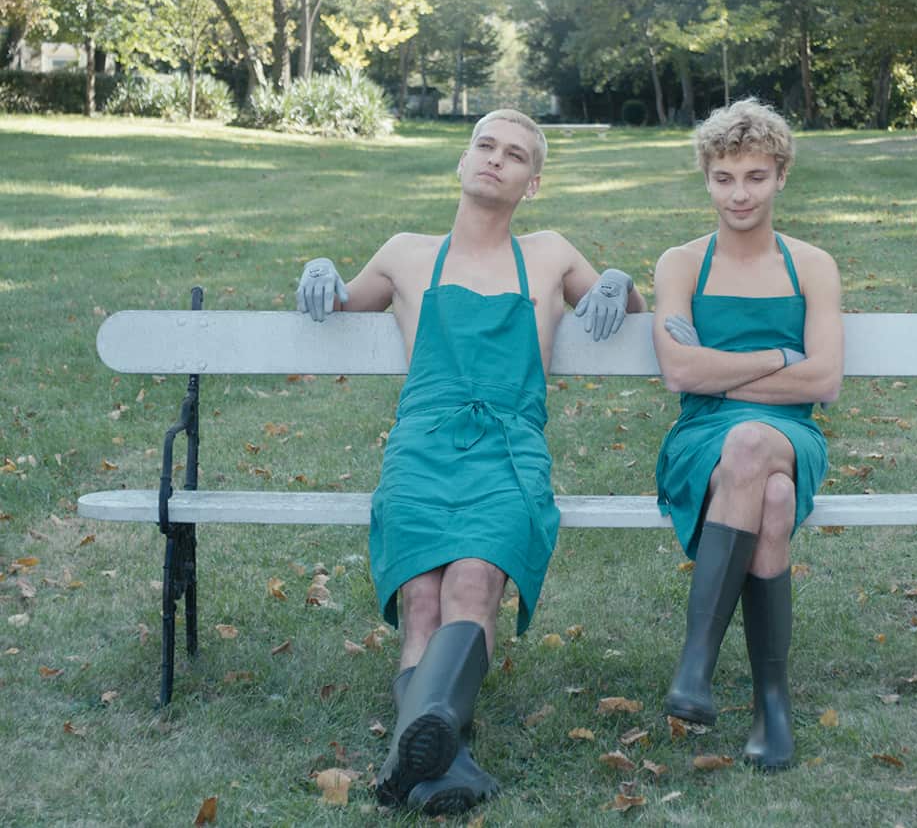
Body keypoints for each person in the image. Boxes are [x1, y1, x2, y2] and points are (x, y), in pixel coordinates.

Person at [295, 109, 647, 814]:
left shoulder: (548, 254)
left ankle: (414, 749)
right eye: (484, 146)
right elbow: (339, 301)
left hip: (510, 451)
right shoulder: (405, 253)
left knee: (475, 581)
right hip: (421, 448)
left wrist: (617, 278)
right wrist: (321, 270)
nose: (495, 159)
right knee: (423, 598)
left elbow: (628, 309)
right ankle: (436, 749)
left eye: (514, 155)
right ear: (461, 162)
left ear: (532, 182)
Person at [652, 99, 843, 770]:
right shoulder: (681, 263)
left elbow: (823, 383)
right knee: (776, 498)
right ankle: (771, 703)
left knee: (756, 446)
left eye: (755, 177)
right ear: (706, 177)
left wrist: (720, 374)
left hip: (791, 432)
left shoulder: (811, 265)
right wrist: (776, 359)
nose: (740, 193)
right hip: (700, 436)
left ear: (781, 177)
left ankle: (696, 666)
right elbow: (679, 373)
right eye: (725, 177)